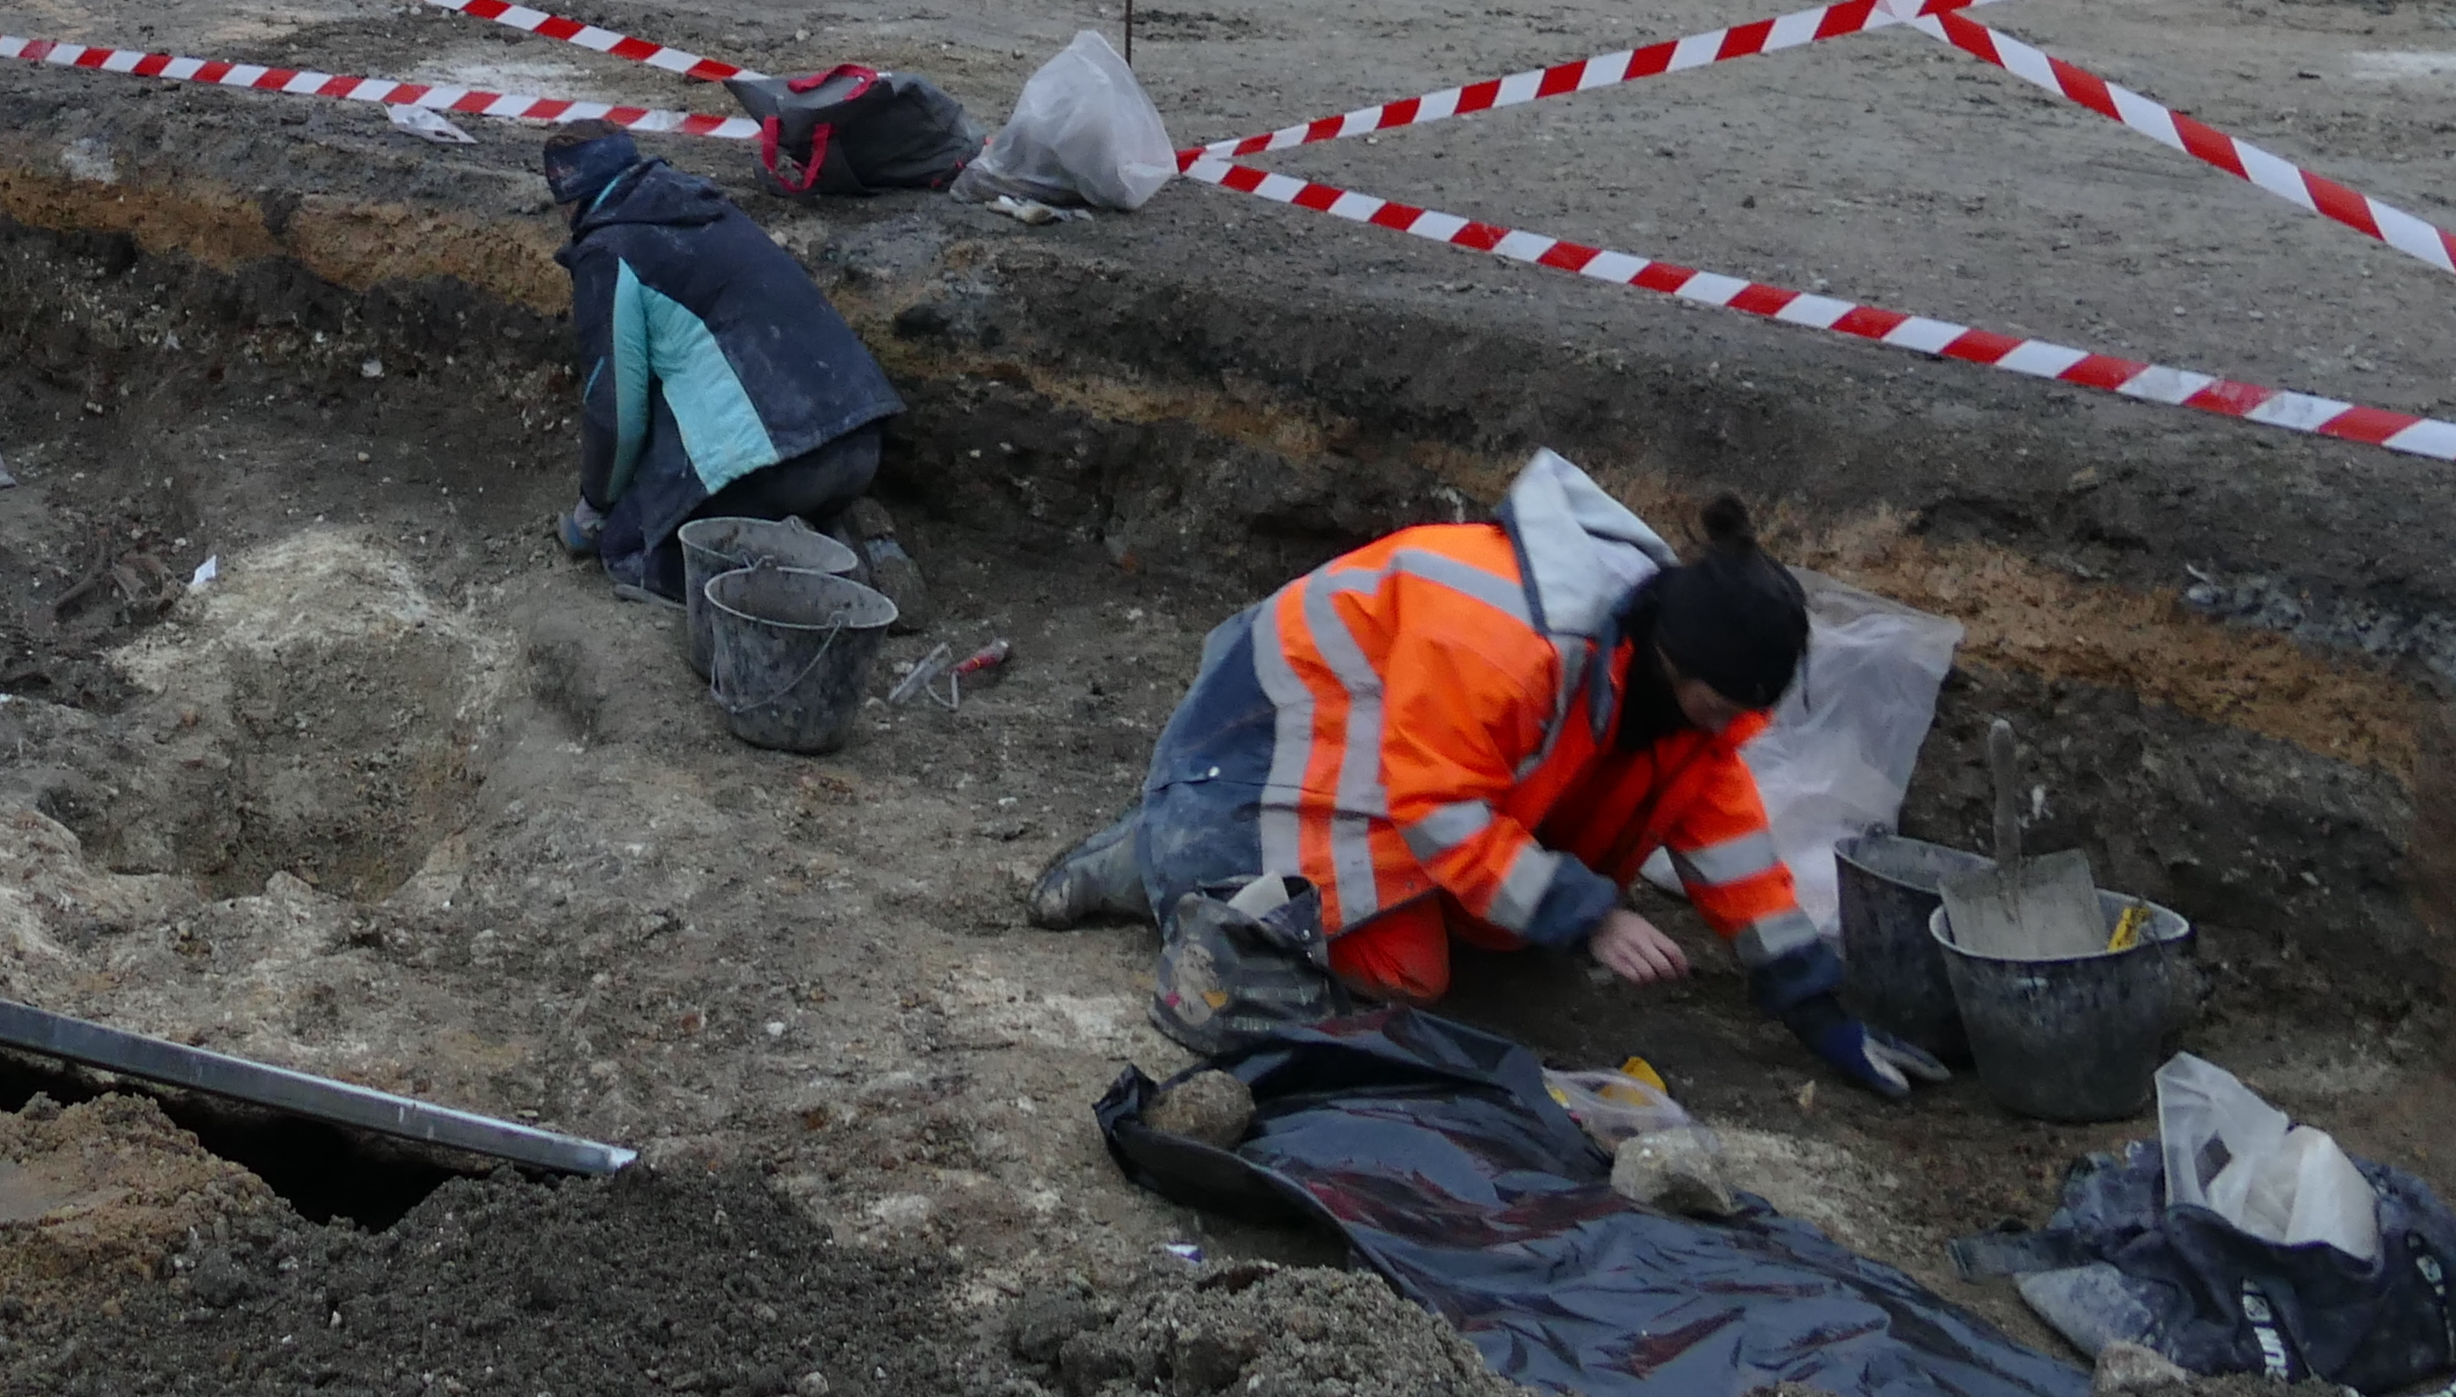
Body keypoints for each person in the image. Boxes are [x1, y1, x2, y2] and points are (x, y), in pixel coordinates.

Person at [1026, 452, 1927, 1094]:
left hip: (1385, 758)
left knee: (1504, 937)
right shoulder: (1509, 645)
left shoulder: (1667, 671)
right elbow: (1442, 811)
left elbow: (1722, 831)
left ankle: (1206, 861)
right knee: (1403, 977)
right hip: (1262, 752)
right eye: (1724, 710)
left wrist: (1814, 1004)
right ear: (1673, 662)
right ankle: (1158, 854)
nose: (1734, 730)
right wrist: (1587, 912)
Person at [547, 126, 906, 604]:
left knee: (631, 549)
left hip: (778, 467)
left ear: (569, 202)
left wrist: (594, 508)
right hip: (861, 439)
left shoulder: (608, 252)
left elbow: (616, 413)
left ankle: (811, 585)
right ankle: (845, 532)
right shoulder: (707, 206)